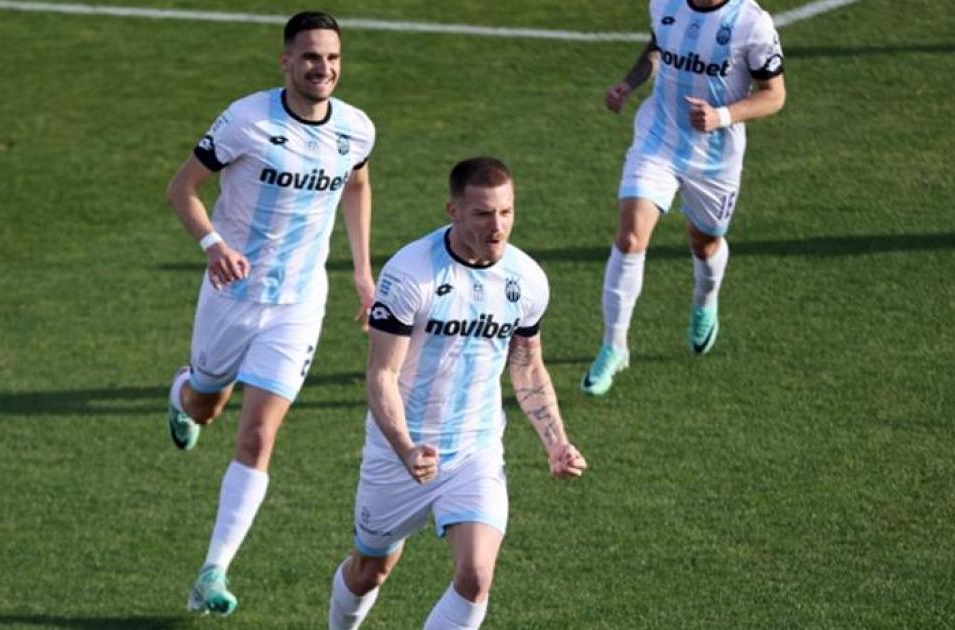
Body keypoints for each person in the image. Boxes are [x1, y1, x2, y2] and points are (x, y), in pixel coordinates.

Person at [163, 11, 375, 616]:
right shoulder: (246, 120)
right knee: (207, 404)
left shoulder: (356, 129)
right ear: (285, 62)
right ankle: (182, 393)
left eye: (332, 58)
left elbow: (357, 185)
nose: (323, 68)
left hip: (298, 304)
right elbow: (182, 188)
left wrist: (362, 272)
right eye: (310, 57)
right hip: (231, 295)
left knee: (258, 435)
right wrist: (213, 246)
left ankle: (213, 571)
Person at [326, 157, 587, 630]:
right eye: (483, 214)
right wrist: (406, 448)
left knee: (476, 576)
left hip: (474, 450)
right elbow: (381, 375)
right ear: (453, 210)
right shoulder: (411, 274)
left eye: (506, 212)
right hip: (400, 450)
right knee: (370, 570)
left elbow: (527, 365)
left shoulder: (527, 280)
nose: (497, 226)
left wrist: (556, 443)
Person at [581, 0, 787, 396]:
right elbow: (659, 46)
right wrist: (629, 82)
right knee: (630, 238)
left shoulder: (751, 23)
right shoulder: (665, 3)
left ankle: (705, 300)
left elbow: (774, 95)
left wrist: (721, 116)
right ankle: (614, 346)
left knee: (704, 242)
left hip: (715, 157)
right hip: (658, 141)